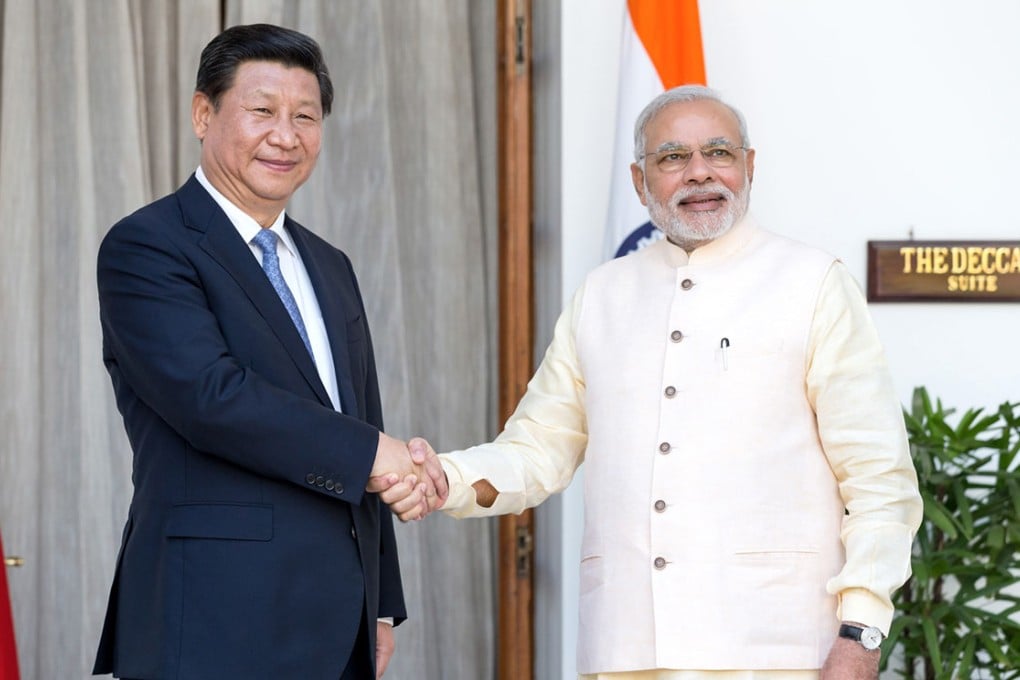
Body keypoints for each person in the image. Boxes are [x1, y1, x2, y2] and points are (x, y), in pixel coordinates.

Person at [384, 85, 923, 679]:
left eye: (718, 152)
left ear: (749, 167)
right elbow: (538, 449)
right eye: (673, 157)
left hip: (776, 650)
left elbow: (879, 478)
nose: (699, 173)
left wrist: (861, 633)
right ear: (640, 182)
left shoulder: (812, 283)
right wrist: (446, 478)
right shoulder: (603, 295)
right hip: (626, 650)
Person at [93, 23, 444, 680]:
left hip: (338, 622)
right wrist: (378, 456)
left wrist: (382, 603)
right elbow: (211, 397)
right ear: (204, 113)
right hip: (210, 617)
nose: (286, 136)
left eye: (305, 117)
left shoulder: (329, 264)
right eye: (262, 111)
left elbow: (358, 417)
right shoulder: (147, 246)